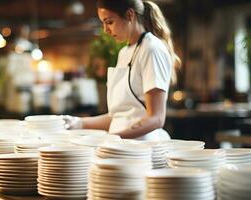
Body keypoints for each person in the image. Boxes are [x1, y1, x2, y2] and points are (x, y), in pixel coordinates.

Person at [66, 0, 180, 141]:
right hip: (120, 148)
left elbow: (156, 118)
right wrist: (78, 123)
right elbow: (119, 118)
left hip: (143, 150)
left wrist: (113, 138)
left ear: (130, 15)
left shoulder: (151, 49)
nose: (105, 30)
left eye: (109, 22)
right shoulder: (124, 53)